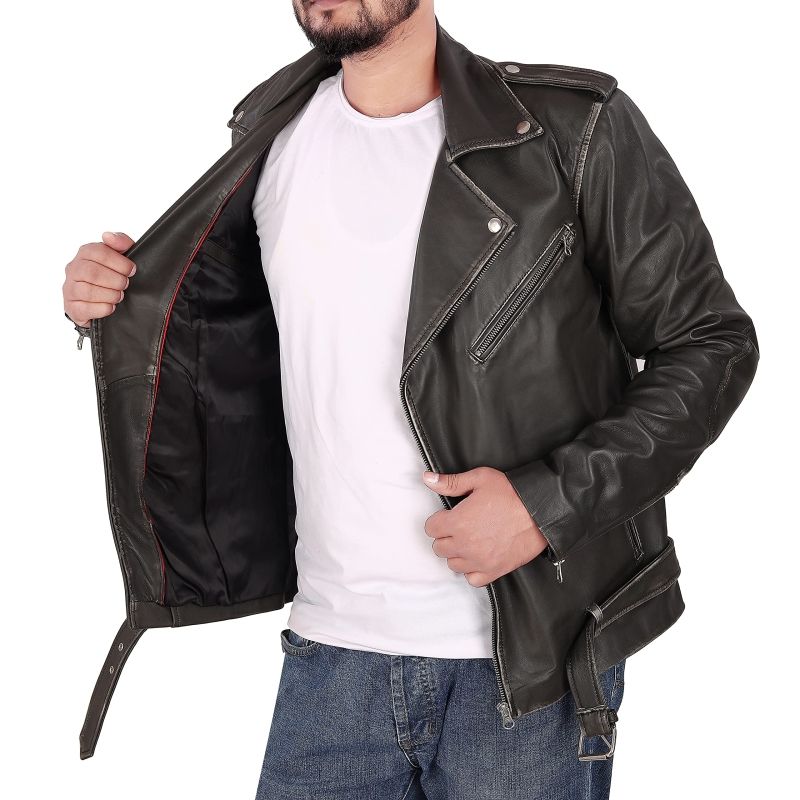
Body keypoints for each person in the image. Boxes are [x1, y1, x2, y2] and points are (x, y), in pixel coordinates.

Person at [62, 1, 759, 797]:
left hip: (525, 664)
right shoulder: (269, 134)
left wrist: (546, 504)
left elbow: (711, 343)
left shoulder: (571, 129)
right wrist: (115, 299)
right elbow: (231, 347)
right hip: (329, 655)